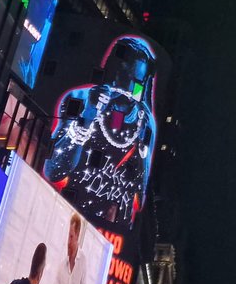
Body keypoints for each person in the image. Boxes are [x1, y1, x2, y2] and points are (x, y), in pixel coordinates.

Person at [45, 36, 157, 228]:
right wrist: (88, 114)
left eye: (136, 83)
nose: (128, 88)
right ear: (111, 71)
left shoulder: (146, 123)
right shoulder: (80, 98)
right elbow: (54, 170)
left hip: (112, 233)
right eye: (123, 78)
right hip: (66, 216)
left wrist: (142, 151)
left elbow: (141, 193)